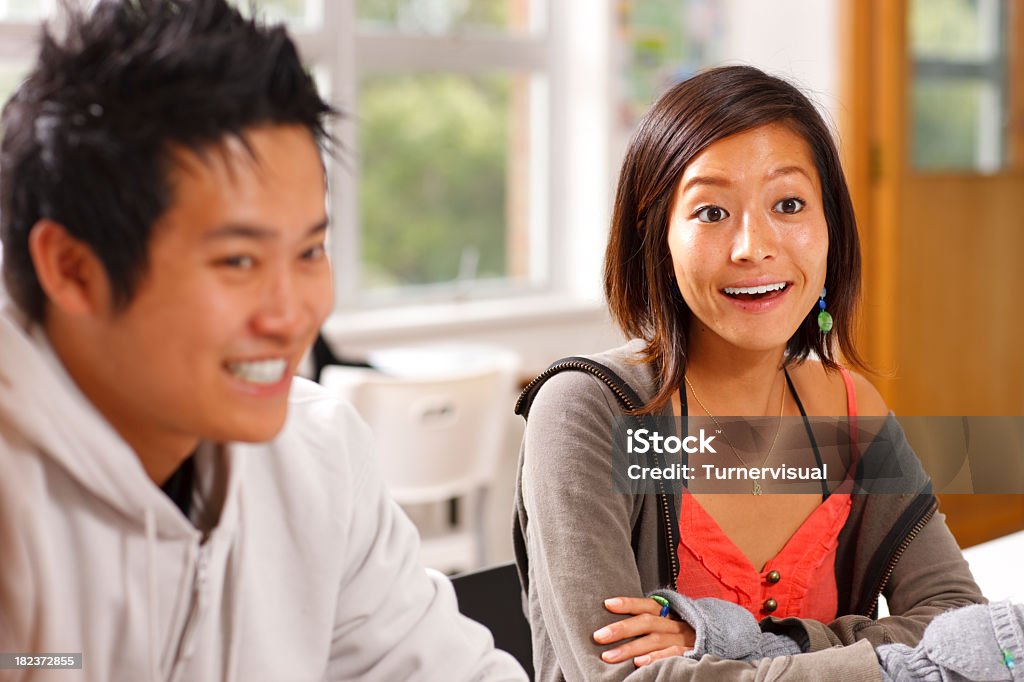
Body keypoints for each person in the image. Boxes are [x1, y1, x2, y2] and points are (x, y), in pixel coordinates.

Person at [0, 1, 526, 680]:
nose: (290, 314)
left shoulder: (316, 455)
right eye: (238, 262)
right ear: (72, 268)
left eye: (310, 252)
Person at [512, 65, 984, 681]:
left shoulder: (847, 406)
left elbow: (962, 624)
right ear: (656, 237)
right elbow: (620, 678)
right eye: (711, 212)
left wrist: (740, 642)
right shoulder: (586, 410)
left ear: (830, 227)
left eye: (789, 204)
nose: (753, 247)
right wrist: (871, 659)